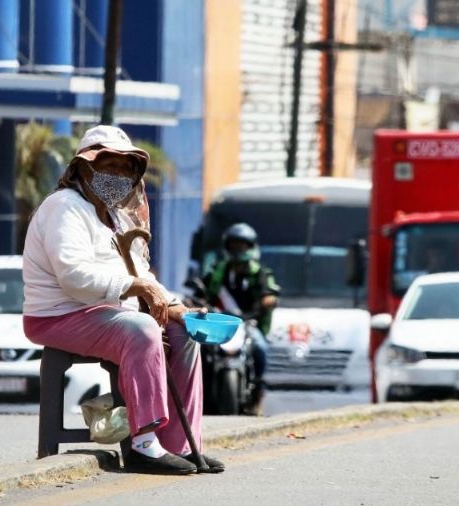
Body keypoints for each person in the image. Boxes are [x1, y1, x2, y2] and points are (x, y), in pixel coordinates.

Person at [22, 125, 222, 475]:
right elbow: (74, 278)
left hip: (106, 314)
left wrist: (174, 307)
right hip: (59, 315)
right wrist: (137, 288)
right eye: (108, 166)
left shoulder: (115, 217)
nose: (117, 176)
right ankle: (143, 445)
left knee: (185, 333)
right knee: (141, 328)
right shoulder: (65, 207)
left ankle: (180, 445)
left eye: (125, 169)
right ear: (84, 169)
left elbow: (141, 273)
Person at [202, 223, 280, 415]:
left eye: (242, 245)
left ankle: (258, 391)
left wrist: (268, 299)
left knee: (261, 347)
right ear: (227, 247)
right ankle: (201, 393)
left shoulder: (260, 273)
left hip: (248, 323)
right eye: (234, 245)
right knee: (201, 349)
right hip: (220, 323)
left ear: (250, 247)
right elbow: (203, 291)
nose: (238, 250)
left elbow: (270, 292)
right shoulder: (217, 272)